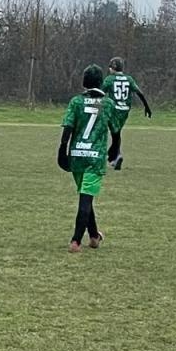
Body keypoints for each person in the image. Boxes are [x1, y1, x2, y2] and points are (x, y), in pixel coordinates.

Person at [57, 63, 111, 253]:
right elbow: (115, 128)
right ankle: (76, 241)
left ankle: (94, 237)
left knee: (85, 197)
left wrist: (62, 149)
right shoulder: (107, 103)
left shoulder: (76, 102)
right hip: (94, 159)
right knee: (85, 200)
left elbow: (68, 127)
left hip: (77, 156)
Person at [102, 55, 153, 169]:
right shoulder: (129, 79)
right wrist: (146, 107)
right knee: (117, 133)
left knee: (114, 134)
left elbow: (100, 92)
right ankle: (115, 158)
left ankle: (113, 156)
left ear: (112, 68)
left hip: (113, 109)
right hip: (125, 110)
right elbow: (140, 93)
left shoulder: (109, 79)